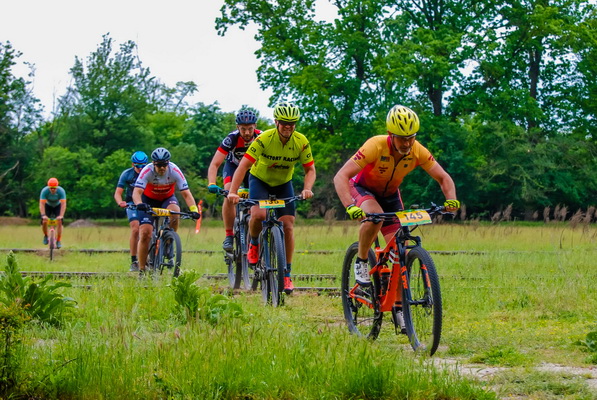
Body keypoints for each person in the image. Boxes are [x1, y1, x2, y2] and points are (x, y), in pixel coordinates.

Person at [333, 105, 460, 286]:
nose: (407, 144)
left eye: (411, 138)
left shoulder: (418, 151)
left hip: (390, 195)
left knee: (401, 252)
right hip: (362, 188)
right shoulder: (375, 146)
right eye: (402, 138)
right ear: (390, 134)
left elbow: (443, 177)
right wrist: (349, 206)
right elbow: (341, 176)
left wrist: (451, 199)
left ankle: (399, 301)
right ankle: (361, 261)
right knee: (375, 216)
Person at [227, 102, 316, 294]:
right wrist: (233, 191)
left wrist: (307, 189)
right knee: (259, 215)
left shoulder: (301, 141)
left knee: (288, 225)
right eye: (284, 123)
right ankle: (253, 243)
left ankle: (286, 274)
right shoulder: (264, 139)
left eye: (291, 123)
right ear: (276, 122)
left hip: (284, 184)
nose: (288, 127)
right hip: (260, 180)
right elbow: (243, 166)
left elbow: (310, 169)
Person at [132, 147, 201, 273]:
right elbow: (137, 192)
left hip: (167, 198)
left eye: (165, 165)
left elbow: (186, 193)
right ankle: (142, 269)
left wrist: (194, 209)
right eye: (159, 165)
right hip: (148, 200)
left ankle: (169, 242)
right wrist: (139, 204)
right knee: (145, 233)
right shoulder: (147, 171)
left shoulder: (175, 170)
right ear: (153, 163)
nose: (162, 168)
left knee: (175, 212)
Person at [207, 109, 261, 252]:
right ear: (237, 127)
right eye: (243, 129)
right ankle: (229, 235)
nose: (247, 133)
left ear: (255, 126)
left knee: (258, 197)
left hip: (253, 171)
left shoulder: (261, 137)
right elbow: (215, 164)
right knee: (229, 194)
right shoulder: (231, 139)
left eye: (250, 129)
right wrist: (212, 183)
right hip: (233, 167)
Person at [114, 151, 148, 272]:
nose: (140, 169)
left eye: (143, 166)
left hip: (146, 203)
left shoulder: (149, 173)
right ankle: (134, 260)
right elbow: (118, 193)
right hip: (132, 203)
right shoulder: (127, 174)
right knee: (135, 228)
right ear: (133, 164)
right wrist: (120, 202)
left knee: (149, 230)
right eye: (138, 166)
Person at [39, 177, 67, 248]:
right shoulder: (44, 191)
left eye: (54, 188)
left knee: (60, 221)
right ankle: (46, 235)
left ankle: (58, 240)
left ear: (57, 187)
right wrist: (43, 215)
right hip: (47, 205)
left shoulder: (61, 191)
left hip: (57, 206)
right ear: (48, 187)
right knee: (44, 221)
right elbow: (42, 204)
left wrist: (61, 215)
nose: (52, 190)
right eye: (51, 188)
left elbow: (63, 204)